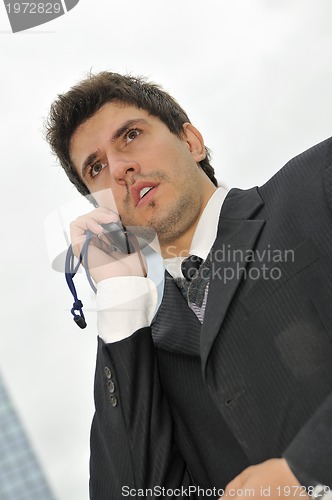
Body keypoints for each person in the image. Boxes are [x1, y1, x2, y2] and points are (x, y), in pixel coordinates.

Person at [46, 72, 332, 500]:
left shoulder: (316, 183)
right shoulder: (139, 347)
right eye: (97, 167)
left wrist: (308, 469)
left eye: (131, 135)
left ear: (192, 141)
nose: (121, 168)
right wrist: (120, 298)